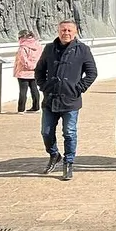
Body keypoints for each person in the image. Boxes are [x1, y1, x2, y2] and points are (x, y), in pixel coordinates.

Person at [34, 20, 98, 181]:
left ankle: (68, 162)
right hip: (50, 99)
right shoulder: (49, 48)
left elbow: (92, 73)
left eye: (69, 30)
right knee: (46, 132)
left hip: (71, 100)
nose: (66, 33)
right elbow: (39, 71)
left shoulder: (82, 50)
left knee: (69, 132)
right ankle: (54, 154)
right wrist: (44, 86)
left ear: (75, 32)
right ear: (58, 31)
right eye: (63, 30)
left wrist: (78, 88)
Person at [13, 29, 41, 113]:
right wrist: (34, 67)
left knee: (23, 91)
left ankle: (21, 109)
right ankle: (36, 107)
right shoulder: (38, 45)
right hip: (34, 71)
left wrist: (29, 66)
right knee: (34, 89)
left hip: (23, 72)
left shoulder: (23, 47)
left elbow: (23, 60)